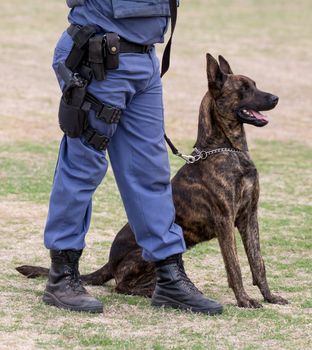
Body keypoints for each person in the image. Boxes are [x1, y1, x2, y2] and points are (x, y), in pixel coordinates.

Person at [42, 0, 223, 315]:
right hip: (101, 54)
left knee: (150, 170)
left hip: (144, 57)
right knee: (83, 165)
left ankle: (168, 276)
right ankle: (62, 275)